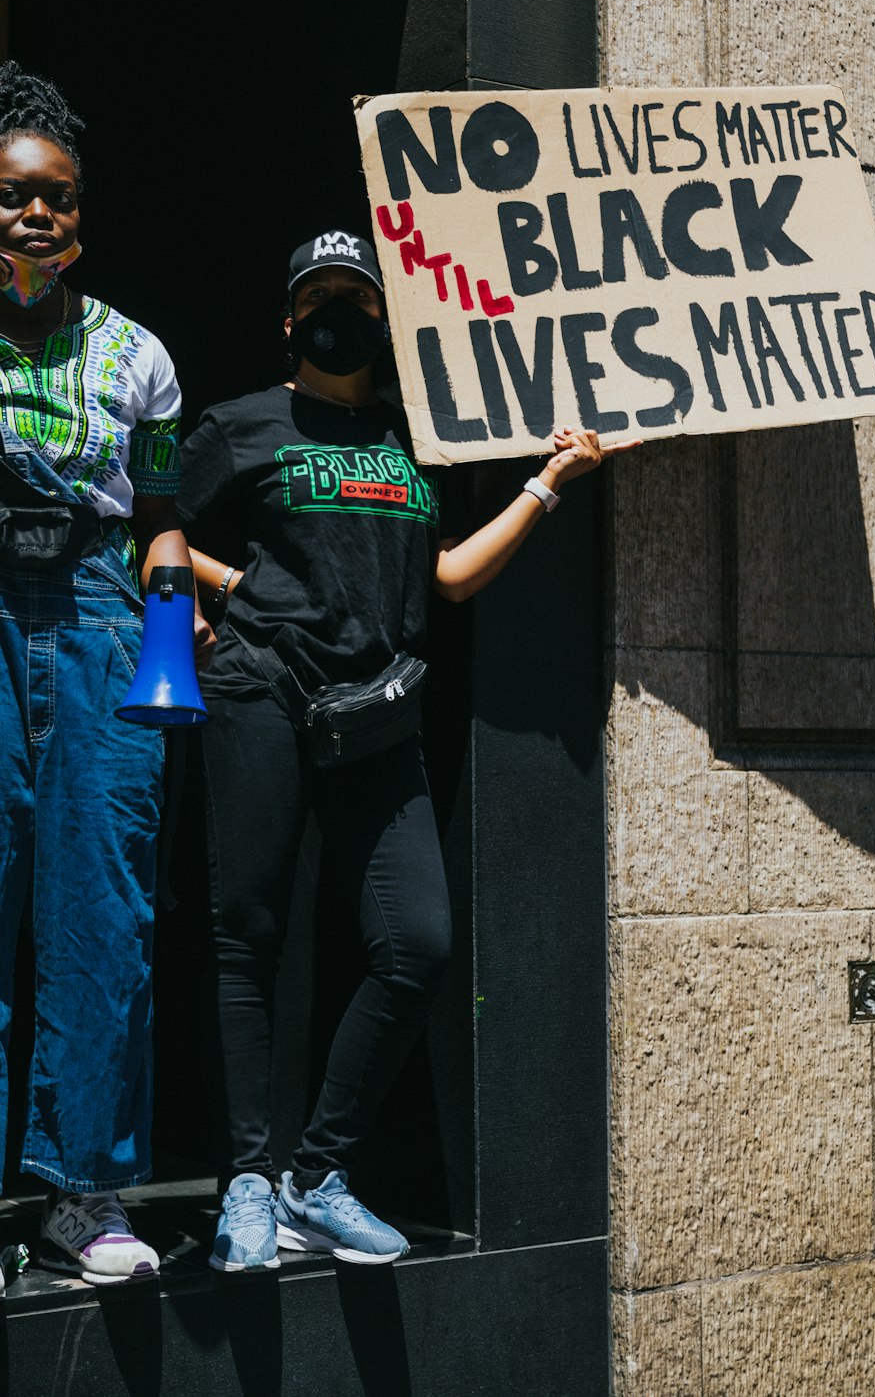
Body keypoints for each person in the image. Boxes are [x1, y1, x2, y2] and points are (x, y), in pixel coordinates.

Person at [178, 230, 636, 1272]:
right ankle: (248, 1180)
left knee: (417, 943)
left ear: (387, 321)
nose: (339, 313)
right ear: (289, 320)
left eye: (359, 298)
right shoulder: (237, 427)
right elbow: (148, 526)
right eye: (319, 299)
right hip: (259, 694)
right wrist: (226, 587)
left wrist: (548, 481)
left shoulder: (414, 441)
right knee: (247, 936)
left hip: (377, 712)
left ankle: (317, 1175)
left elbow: (454, 578)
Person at [0, 61, 210, 1285]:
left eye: (60, 200)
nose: (39, 217)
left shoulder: (141, 355)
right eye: (17, 196)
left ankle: (87, 1198)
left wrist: (170, 573)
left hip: (97, 619)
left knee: (103, 915)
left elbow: (165, 509)